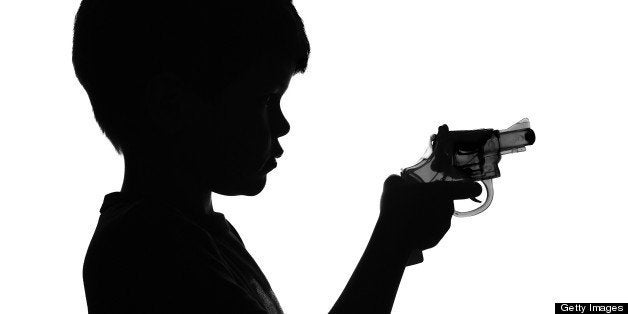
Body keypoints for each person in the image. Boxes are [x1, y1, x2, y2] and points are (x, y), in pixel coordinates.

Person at [72, 0, 482, 313]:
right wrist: (392, 243)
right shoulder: (144, 247)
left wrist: (397, 241)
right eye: (265, 99)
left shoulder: (203, 236)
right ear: (170, 105)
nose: (282, 125)